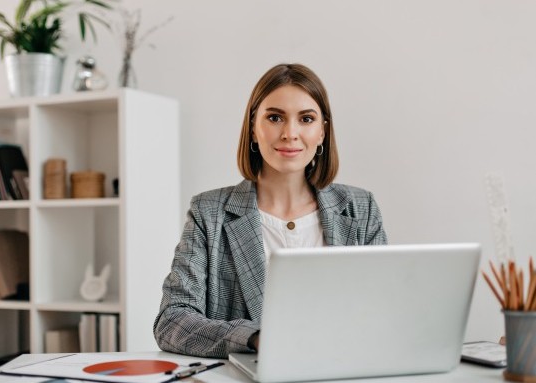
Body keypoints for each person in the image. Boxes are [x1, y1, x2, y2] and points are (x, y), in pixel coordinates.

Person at [153, 63, 387, 359]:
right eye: (275, 117)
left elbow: (383, 312)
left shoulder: (360, 209)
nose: (290, 133)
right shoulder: (208, 212)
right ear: (253, 128)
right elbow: (172, 321)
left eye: (306, 119)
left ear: (322, 133)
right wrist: (255, 337)